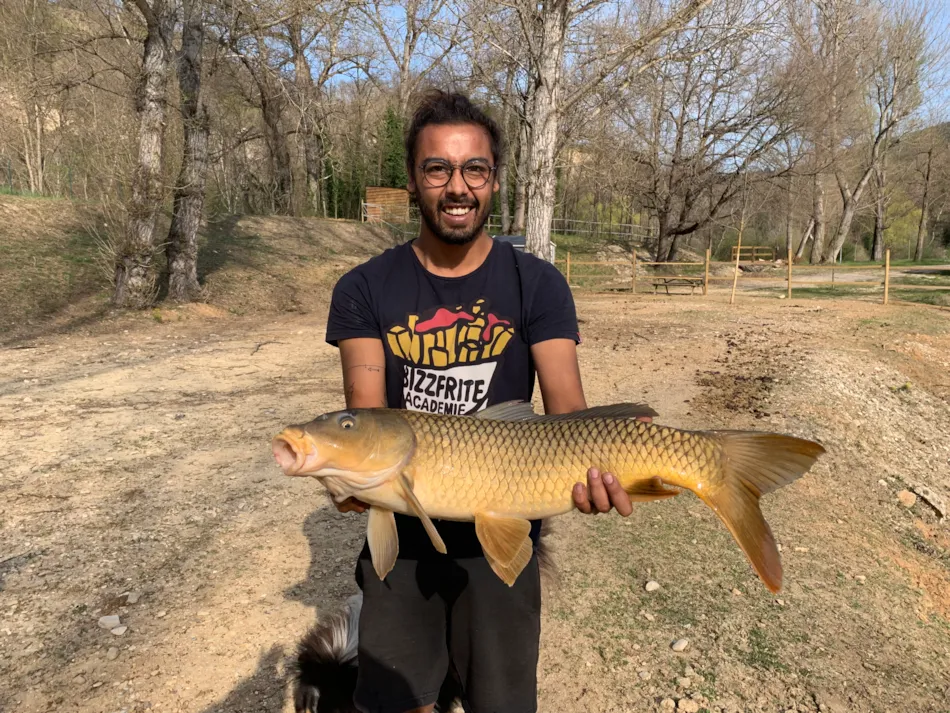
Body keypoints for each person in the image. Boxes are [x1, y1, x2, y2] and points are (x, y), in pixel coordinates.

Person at [324, 89, 641, 713]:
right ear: (414, 181)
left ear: (495, 181)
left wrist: (601, 473)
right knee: (392, 701)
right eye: (437, 169)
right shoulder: (362, 288)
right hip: (405, 537)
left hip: (505, 525)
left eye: (475, 169)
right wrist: (339, 471)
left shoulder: (538, 283)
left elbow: (569, 415)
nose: (457, 187)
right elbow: (364, 416)